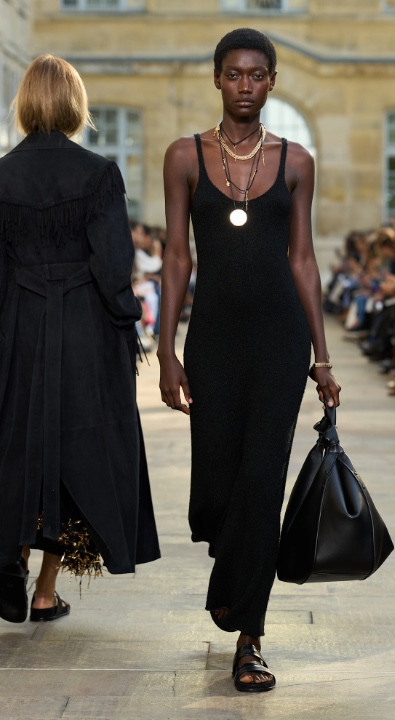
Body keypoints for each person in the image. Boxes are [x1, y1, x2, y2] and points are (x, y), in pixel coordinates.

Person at [158, 28, 340, 692]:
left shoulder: (296, 162)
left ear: (271, 82)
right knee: (216, 491)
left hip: (279, 342)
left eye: (257, 74)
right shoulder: (185, 155)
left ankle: (250, 638)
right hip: (211, 341)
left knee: (262, 484)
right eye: (234, 73)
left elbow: (304, 260)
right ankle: (231, 569)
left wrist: (322, 359)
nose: (245, 85)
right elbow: (176, 256)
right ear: (217, 78)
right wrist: (166, 351)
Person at [0, 55, 160, 625]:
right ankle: (45, 592)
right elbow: (113, 266)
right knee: (81, 454)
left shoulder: (2, 175)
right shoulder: (99, 174)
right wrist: (128, 323)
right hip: (84, 331)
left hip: (18, 329)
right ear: (75, 104)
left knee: (19, 447)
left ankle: (11, 559)